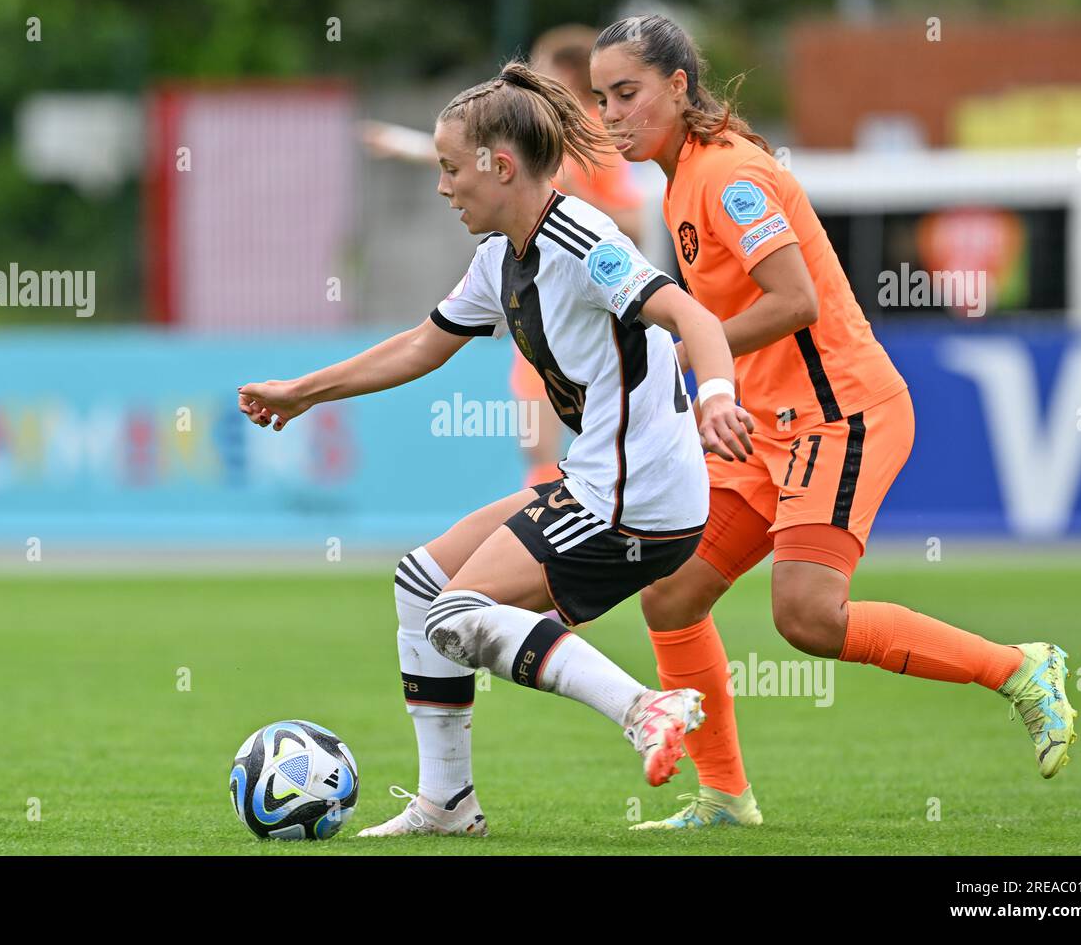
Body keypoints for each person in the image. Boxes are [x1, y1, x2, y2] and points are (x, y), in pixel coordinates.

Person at [588, 14, 1078, 831]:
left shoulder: (727, 176)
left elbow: (796, 302)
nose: (610, 115)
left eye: (627, 94)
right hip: (769, 428)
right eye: (601, 98)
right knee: (670, 594)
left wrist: (686, 359)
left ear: (679, 86)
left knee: (807, 617)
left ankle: (1021, 668)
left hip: (840, 415)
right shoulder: (677, 181)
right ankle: (723, 799)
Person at [239, 60, 755, 837]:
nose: (443, 187)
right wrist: (303, 392)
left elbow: (695, 318)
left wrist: (717, 397)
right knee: (423, 583)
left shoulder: (586, 241)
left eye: (450, 170)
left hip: (637, 497)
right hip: (597, 482)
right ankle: (446, 803)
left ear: (500, 167)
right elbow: (422, 345)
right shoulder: (500, 256)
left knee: (457, 615)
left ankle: (643, 708)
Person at [362, 24, 645, 490]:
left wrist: (569, 199)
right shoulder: (516, 172)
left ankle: (581, 522)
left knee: (605, 436)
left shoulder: (593, 142)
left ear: (568, 73)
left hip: (589, 305)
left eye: (543, 68)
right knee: (536, 440)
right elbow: (475, 160)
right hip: (535, 301)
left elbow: (634, 225)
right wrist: (404, 144)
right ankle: (544, 522)